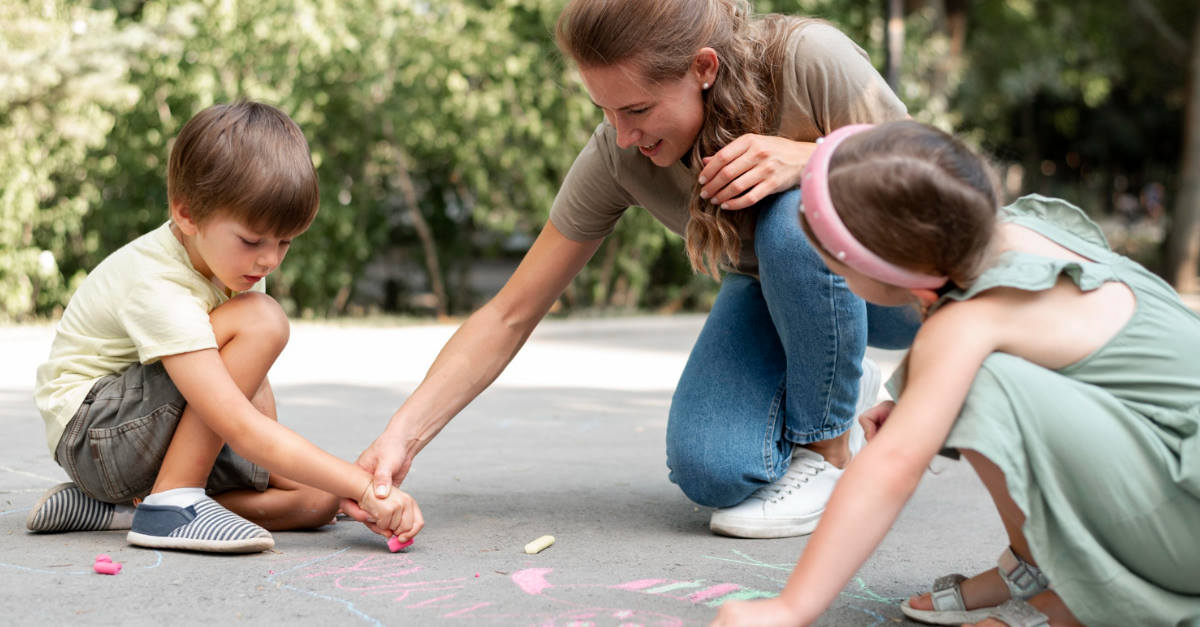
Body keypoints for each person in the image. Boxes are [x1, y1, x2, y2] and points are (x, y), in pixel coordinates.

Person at [345, 0, 920, 540]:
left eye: (638, 110)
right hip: (778, 295)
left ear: (702, 68)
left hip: (897, 289)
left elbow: (934, 175)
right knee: (712, 471)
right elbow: (509, 314)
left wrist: (818, 159)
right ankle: (838, 380)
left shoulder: (806, 59)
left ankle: (827, 452)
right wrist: (400, 439)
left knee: (796, 219)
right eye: (606, 110)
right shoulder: (619, 155)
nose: (624, 135)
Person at [712, 121, 1200, 626]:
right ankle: (1038, 569)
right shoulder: (1020, 229)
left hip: (1186, 531)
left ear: (892, 272)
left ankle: (1079, 605)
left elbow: (892, 466)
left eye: (839, 269)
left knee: (982, 383)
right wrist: (915, 399)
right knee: (963, 379)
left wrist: (789, 609)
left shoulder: (965, 324)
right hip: (1181, 474)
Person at [29, 101, 422, 553]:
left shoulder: (232, 263)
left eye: (285, 242)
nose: (270, 258)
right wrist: (366, 484)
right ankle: (172, 502)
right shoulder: (159, 283)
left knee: (316, 501)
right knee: (262, 318)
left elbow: (248, 388)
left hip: (140, 431)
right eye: (253, 240)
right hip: (94, 433)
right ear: (187, 215)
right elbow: (237, 421)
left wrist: (345, 491)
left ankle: (127, 509)